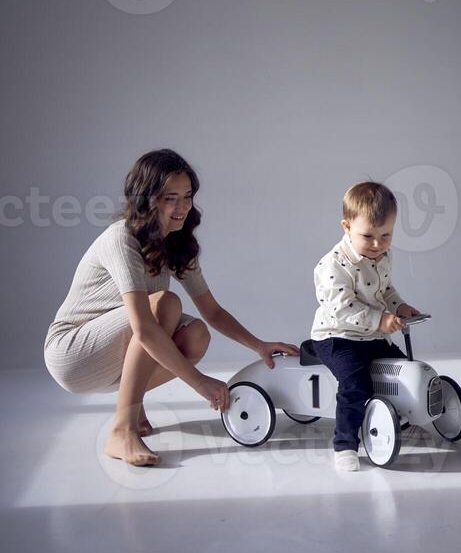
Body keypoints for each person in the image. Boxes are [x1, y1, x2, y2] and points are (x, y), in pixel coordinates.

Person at [43, 149, 299, 468]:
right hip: (72, 353)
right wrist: (199, 382)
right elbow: (143, 327)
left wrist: (259, 345)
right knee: (164, 304)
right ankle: (121, 430)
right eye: (170, 198)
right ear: (147, 200)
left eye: (187, 196)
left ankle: (132, 408)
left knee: (195, 335)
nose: (182, 208)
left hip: (111, 347)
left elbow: (212, 311)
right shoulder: (122, 239)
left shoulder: (177, 243)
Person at [309, 181, 421, 471]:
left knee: (400, 371)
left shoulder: (382, 255)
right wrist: (380, 320)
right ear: (346, 226)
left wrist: (399, 307)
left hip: (371, 334)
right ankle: (345, 444)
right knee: (355, 384)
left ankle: (399, 417)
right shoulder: (333, 265)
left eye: (386, 235)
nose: (377, 244)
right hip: (338, 336)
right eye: (368, 236)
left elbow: (385, 289)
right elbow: (342, 307)